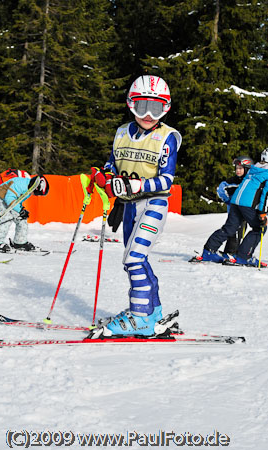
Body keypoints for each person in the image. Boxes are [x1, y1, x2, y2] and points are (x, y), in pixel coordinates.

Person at [90, 75, 182, 336]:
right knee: (134, 259)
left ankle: (141, 318)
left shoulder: (167, 138)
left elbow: (167, 178)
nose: (149, 115)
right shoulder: (121, 133)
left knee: (134, 258)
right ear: (131, 104)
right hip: (129, 207)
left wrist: (139, 186)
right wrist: (102, 177)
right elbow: (111, 166)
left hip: (153, 203)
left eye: (157, 108)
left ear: (166, 108)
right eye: (142, 106)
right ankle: (152, 312)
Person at [197, 147, 268, 266]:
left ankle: (209, 251)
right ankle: (243, 257)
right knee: (260, 228)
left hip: (235, 202)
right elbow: (267, 195)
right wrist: (262, 213)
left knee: (230, 227)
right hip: (247, 205)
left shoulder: (253, 170)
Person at [189, 155, 253, 263]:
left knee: (239, 231)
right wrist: (228, 200)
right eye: (236, 168)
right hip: (235, 212)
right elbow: (221, 188)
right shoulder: (233, 182)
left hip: (245, 212)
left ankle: (230, 251)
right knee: (234, 230)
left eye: (240, 169)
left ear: (247, 169)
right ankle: (229, 252)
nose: (238, 171)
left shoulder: (250, 182)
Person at [0, 175, 49, 252]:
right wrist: (20, 210)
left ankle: (19, 242)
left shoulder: (29, 189)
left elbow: (18, 200)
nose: (36, 195)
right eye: (37, 193)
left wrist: (21, 211)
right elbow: (9, 198)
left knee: (21, 218)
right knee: (6, 217)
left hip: (10, 201)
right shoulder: (21, 185)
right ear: (35, 187)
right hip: (1, 197)